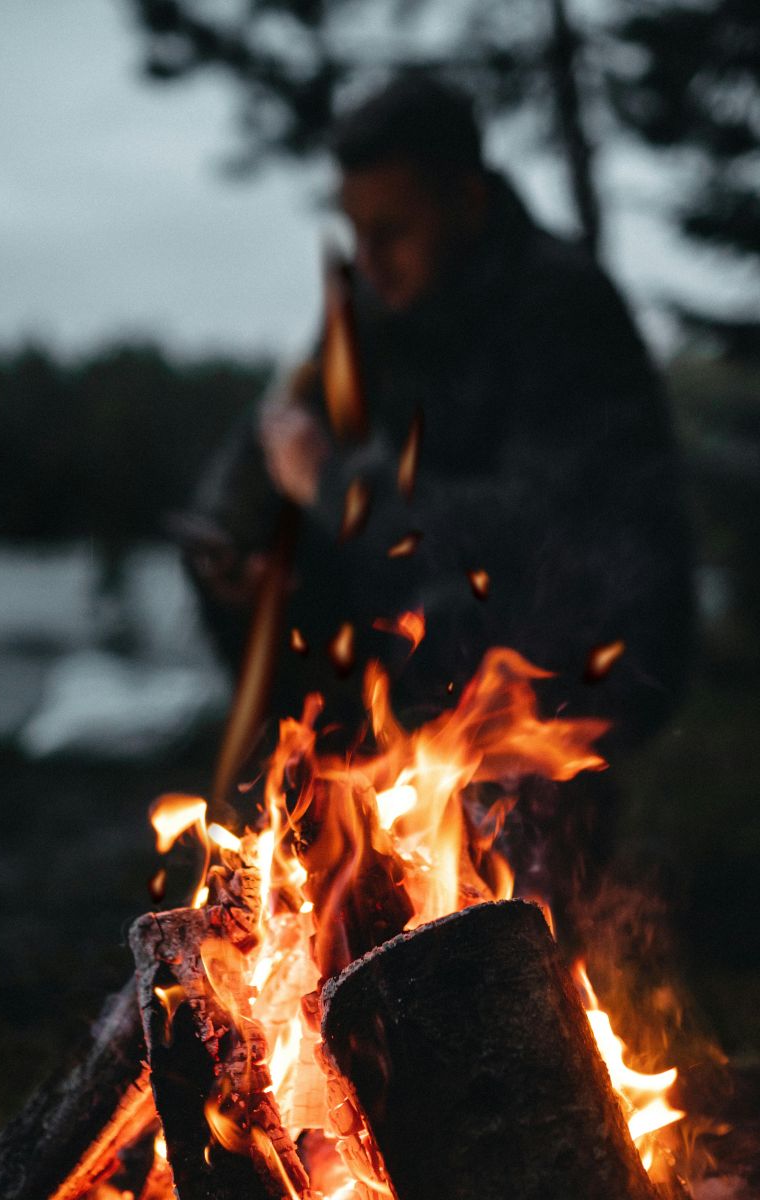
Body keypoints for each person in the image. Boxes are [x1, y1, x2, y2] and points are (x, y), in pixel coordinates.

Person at [183, 75, 693, 916]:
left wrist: (334, 485)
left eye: (391, 231)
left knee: (451, 615)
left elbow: (537, 529)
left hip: (597, 630)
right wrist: (234, 538)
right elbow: (271, 437)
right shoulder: (377, 309)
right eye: (355, 233)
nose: (370, 259)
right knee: (281, 579)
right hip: (444, 594)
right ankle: (322, 850)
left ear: (465, 197)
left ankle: (529, 893)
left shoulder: (562, 302)